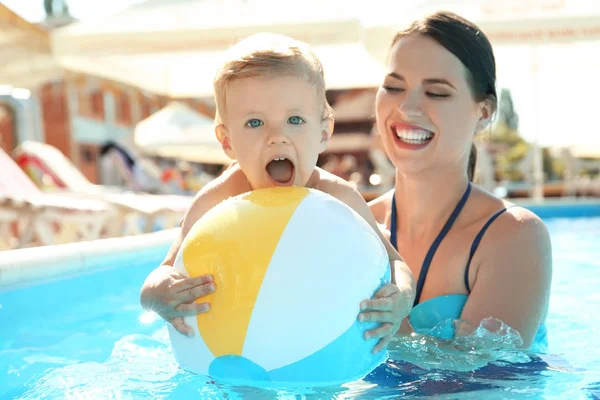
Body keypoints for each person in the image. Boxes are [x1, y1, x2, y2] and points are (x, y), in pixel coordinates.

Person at [140, 33, 415, 355]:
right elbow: (163, 271)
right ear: (227, 141)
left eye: (295, 120)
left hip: (322, 341)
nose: (277, 137)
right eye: (255, 122)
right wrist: (158, 294)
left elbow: (396, 263)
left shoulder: (338, 199)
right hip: (239, 346)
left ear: (323, 132)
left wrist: (402, 298)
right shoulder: (217, 202)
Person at [366, 11, 552, 350]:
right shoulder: (356, 225)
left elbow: (491, 374)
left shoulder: (513, 236)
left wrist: (390, 328)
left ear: (483, 112)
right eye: (394, 87)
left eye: (436, 93)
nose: (407, 108)